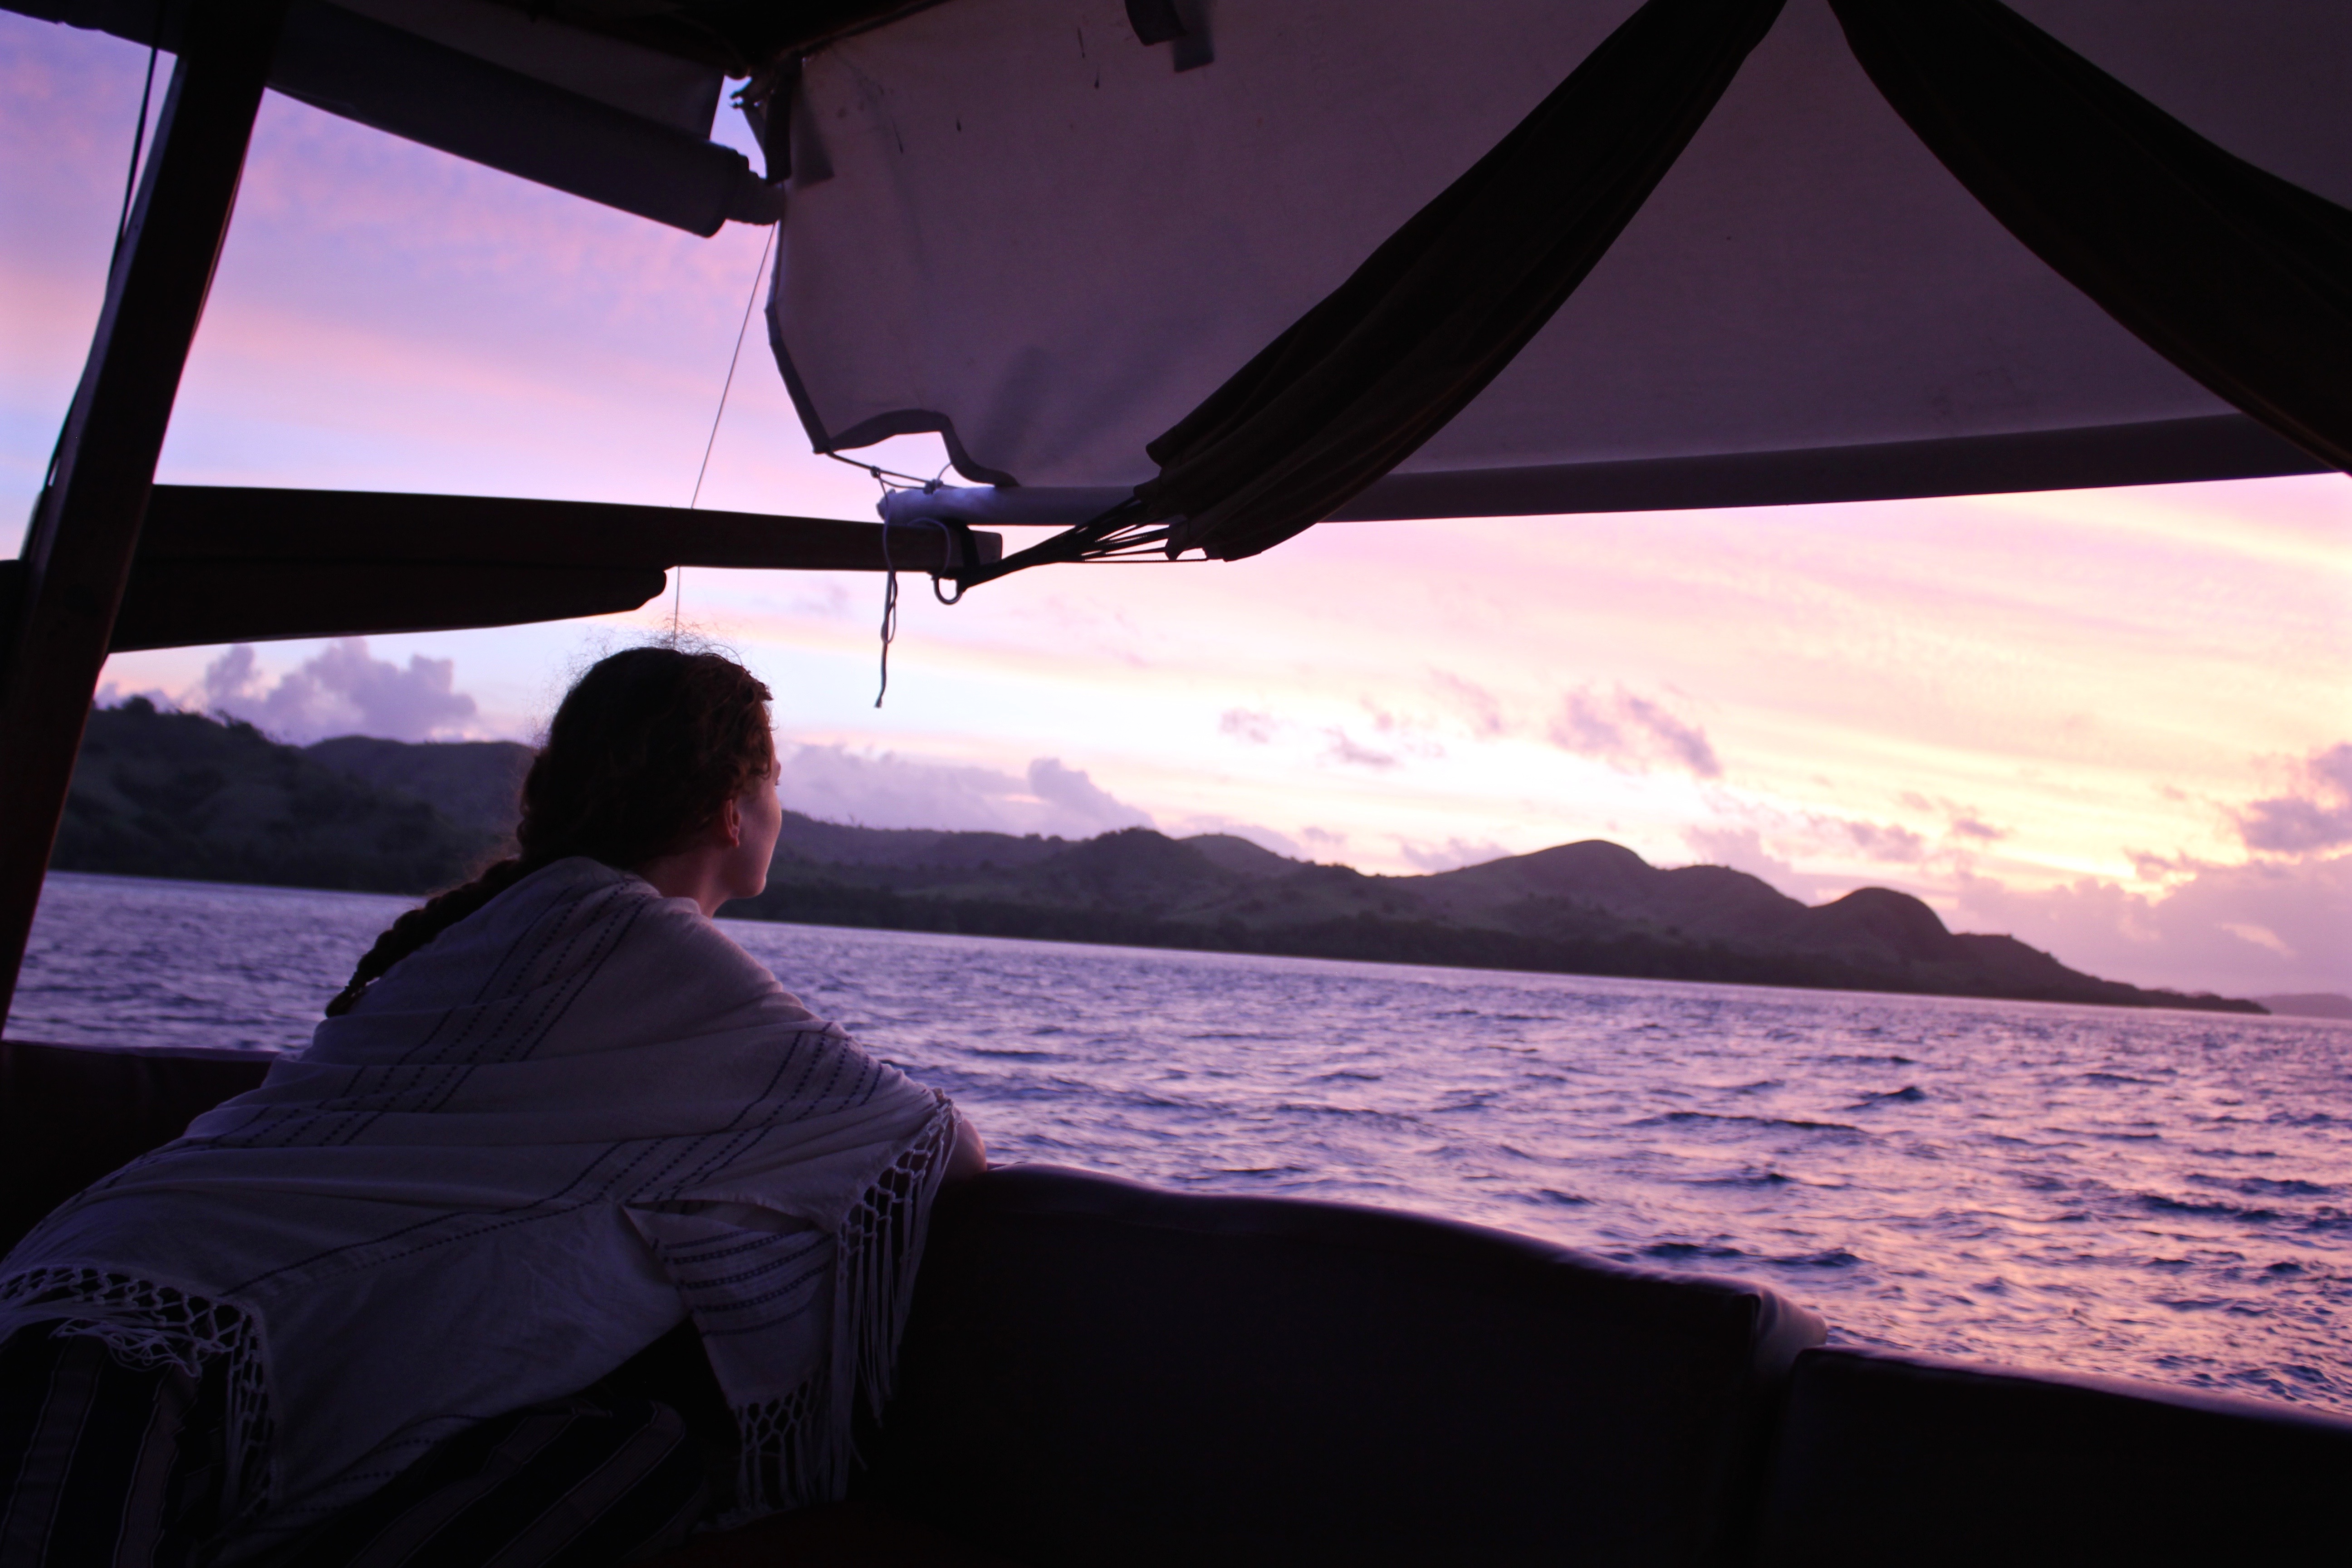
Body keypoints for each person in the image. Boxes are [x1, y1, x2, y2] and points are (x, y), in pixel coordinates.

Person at [0, 645, 985, 1566]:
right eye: (776, 785)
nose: (781, 810)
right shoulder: (645, 948)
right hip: (133, 1356)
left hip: (91, 1285)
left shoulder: (511, 927)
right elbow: (930, 1147)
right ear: (733, 810)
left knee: (641, 1454)